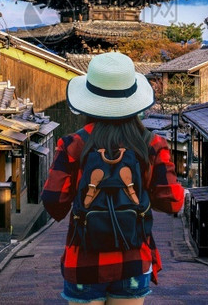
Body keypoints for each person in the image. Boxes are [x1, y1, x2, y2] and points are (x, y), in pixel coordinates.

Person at [42, 52, 185, 305]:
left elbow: (53, 202)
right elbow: (173, 202)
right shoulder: (151, 144)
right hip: (133, 259)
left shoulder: (73, 144)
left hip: (83, 260)